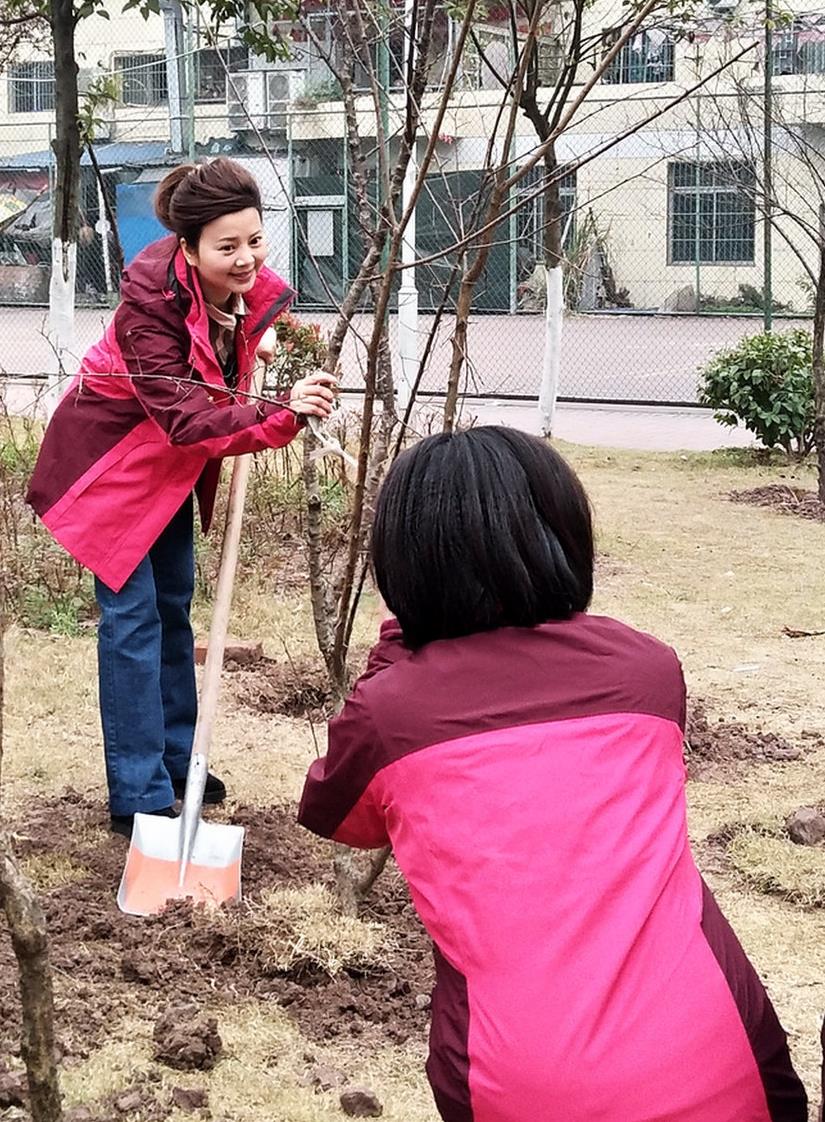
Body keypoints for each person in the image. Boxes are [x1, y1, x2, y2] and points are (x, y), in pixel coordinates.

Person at [298, 426, 809, 1122]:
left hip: (517, 1081)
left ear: (404, 563)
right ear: (564, 538)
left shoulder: (389, 714)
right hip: (726, 1054)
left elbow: (337, 818)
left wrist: (398, 646)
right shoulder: (647, 671)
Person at [27, 158, 336, 839]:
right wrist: (279, 412)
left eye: (254, 239)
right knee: (132, 620)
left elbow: (253, 366)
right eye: (228, 247)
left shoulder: (244, 293)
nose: (248, 257)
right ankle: (138, 790)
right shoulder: (149, 306)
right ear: (189, 250)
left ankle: (173, 761)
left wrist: (292, 375)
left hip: (168, 467)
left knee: (172, 611)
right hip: (108, 468)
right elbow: (186, 418)